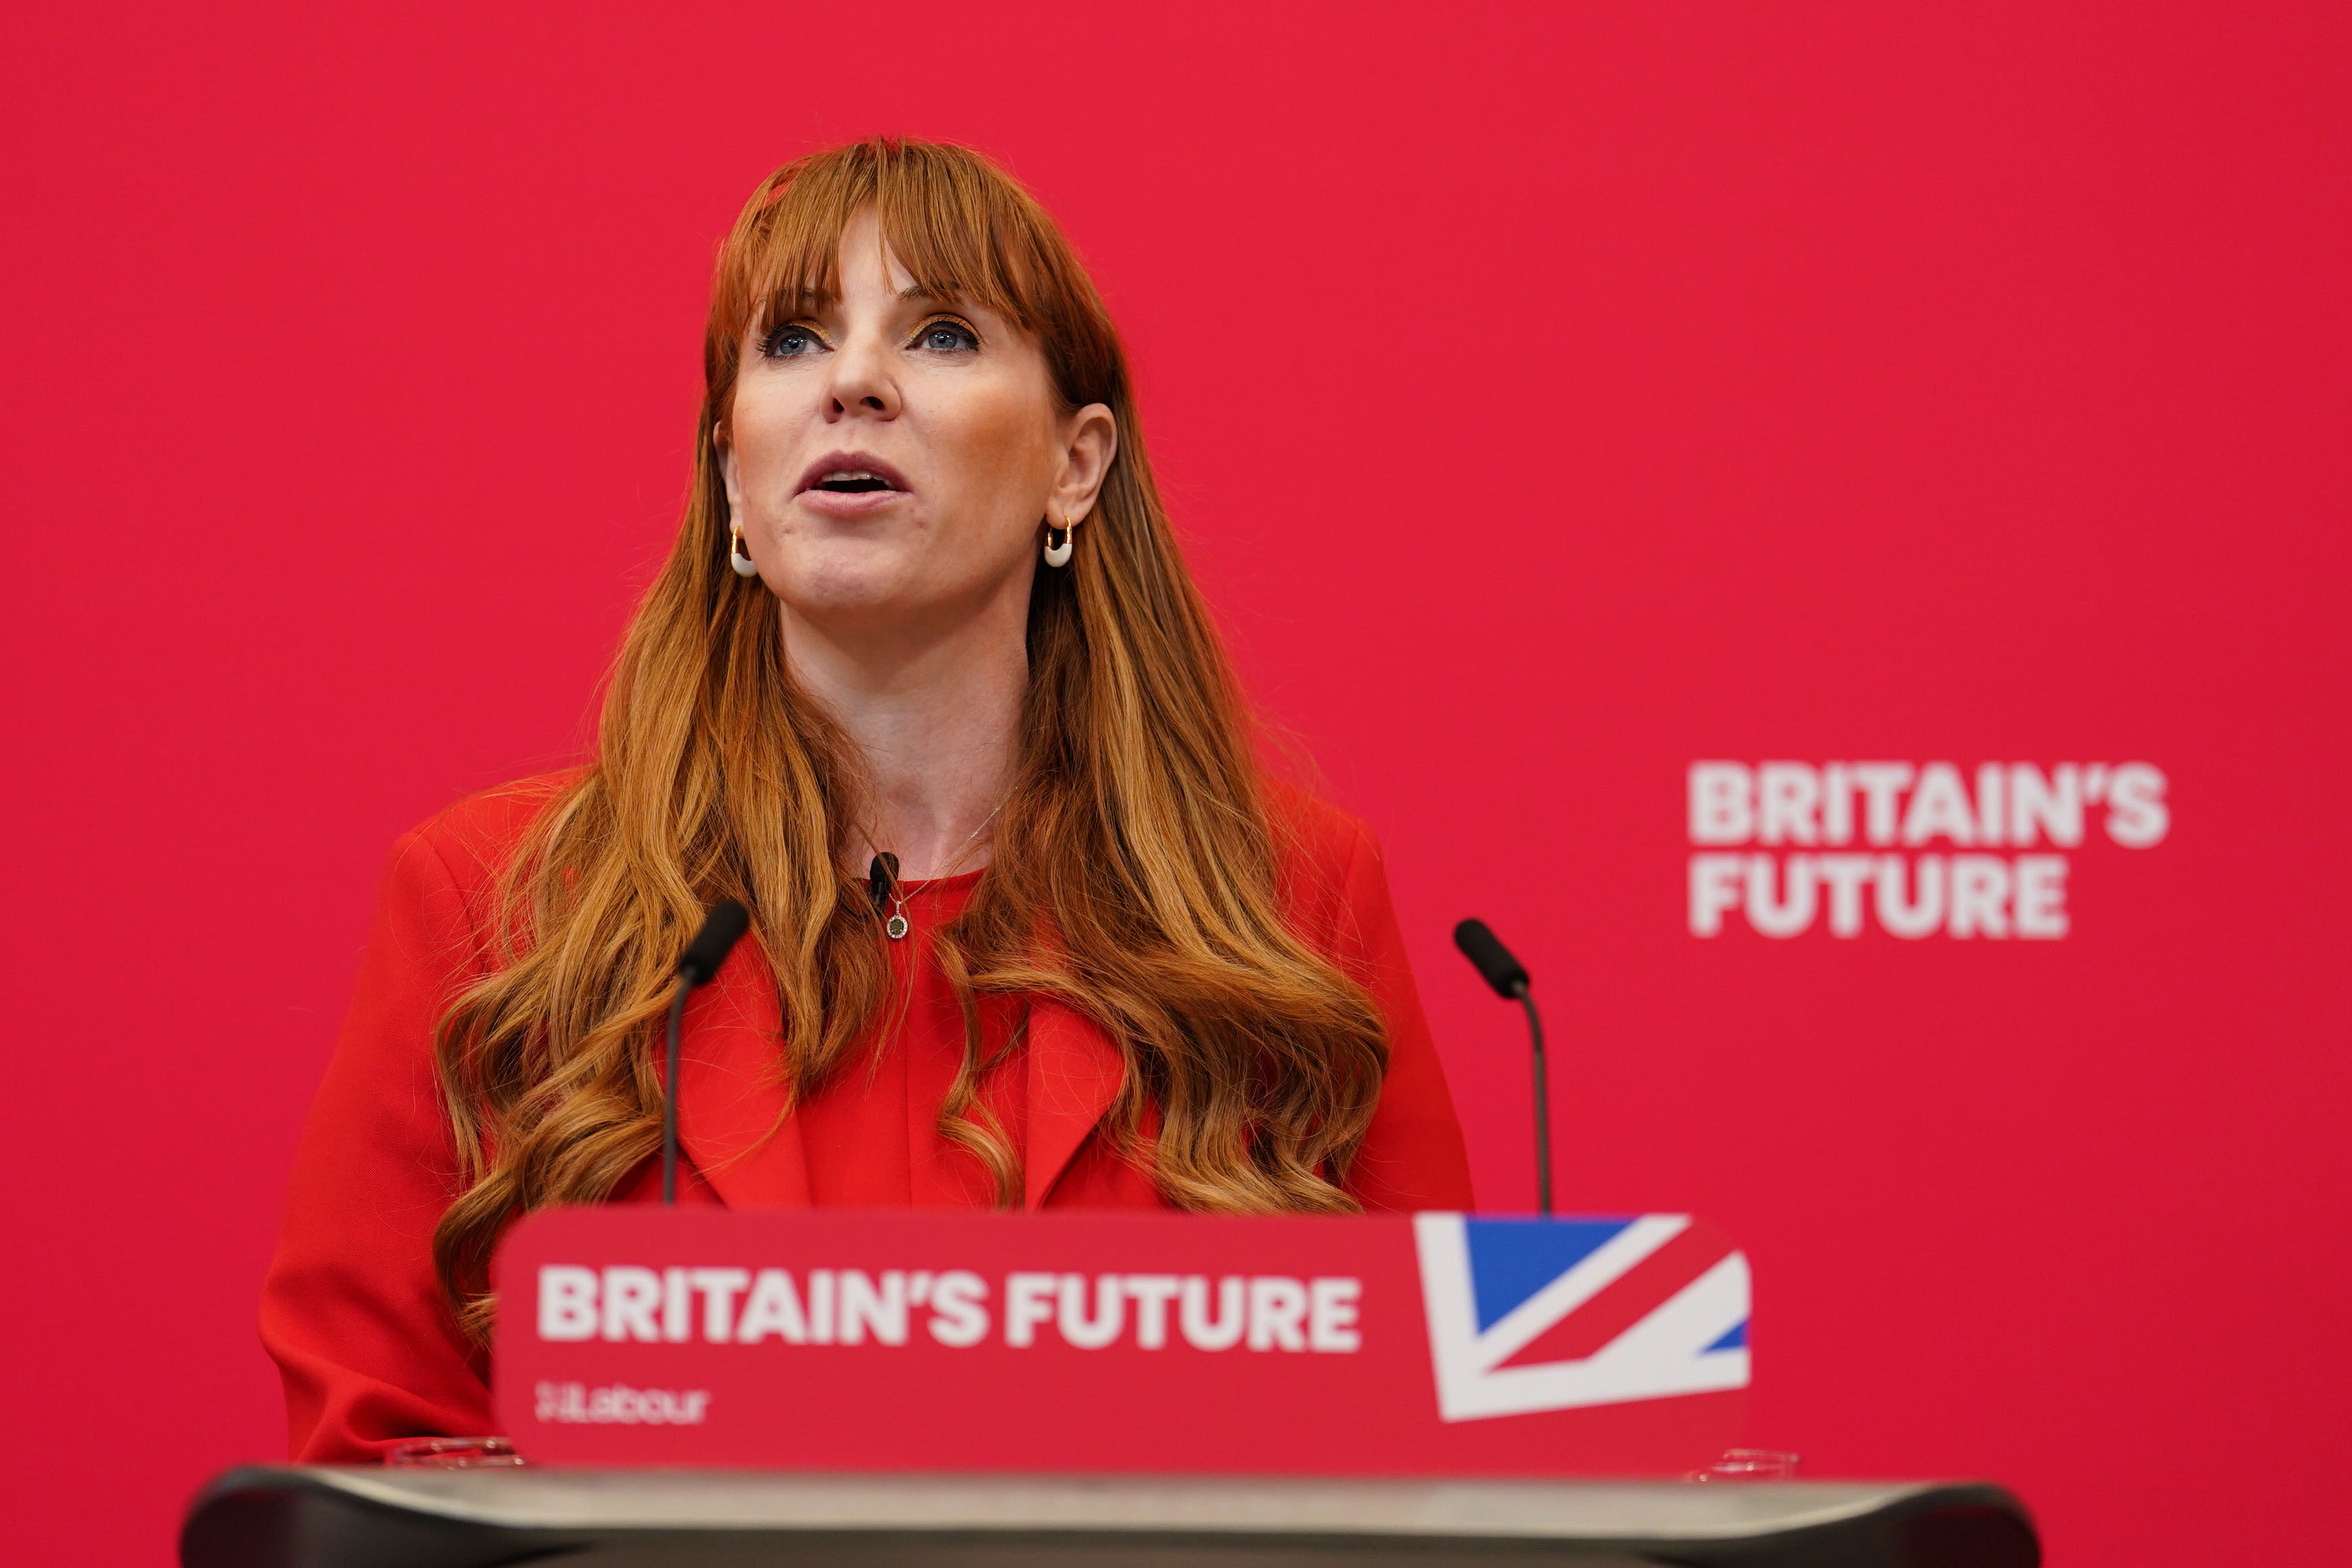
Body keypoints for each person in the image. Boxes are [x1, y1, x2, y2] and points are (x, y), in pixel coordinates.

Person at [260, 137, 1473, 1463]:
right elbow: (372, 1460)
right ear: (733, 474)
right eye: (791, 340)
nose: (851, 383)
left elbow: (1436, 1439)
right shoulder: (497, 899)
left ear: (1077, 465)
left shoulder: (1289, 897)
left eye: (941, 334)